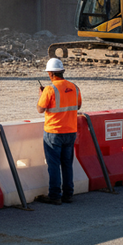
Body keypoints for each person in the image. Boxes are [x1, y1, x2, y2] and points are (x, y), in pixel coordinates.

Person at [34, 58, 82, 205]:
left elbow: (40, 109)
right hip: (71, 131)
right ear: (62, 72)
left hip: (54, 132)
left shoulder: (49, 89)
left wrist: (41, 95)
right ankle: (68, 194)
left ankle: (54, 195)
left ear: (51, 74)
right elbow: (78, 106)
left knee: (54, 164)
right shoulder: (74, 87)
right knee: (67, 164)